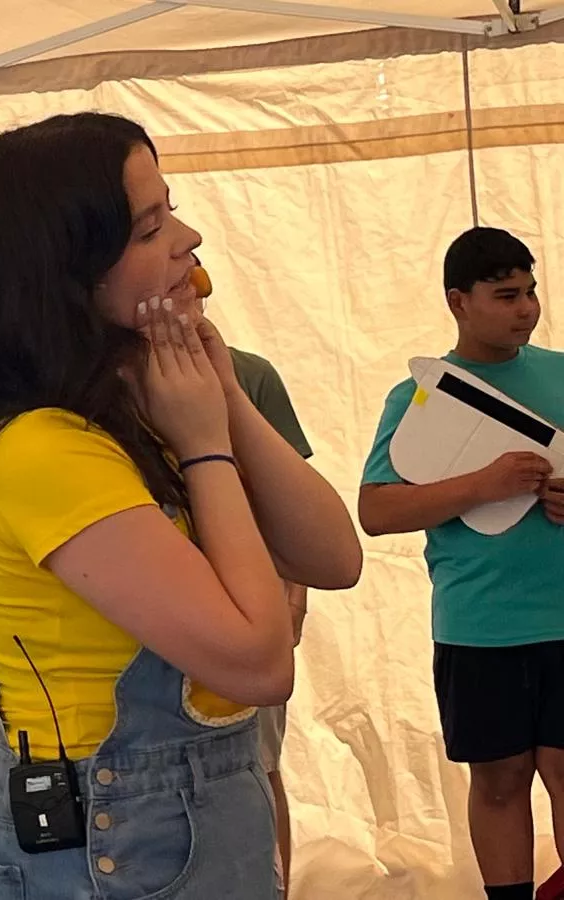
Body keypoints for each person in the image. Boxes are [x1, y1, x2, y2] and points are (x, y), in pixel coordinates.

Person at [0, 112, 361, 898]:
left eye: (169, 209)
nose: (188, 240)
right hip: (112, 843)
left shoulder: (135, 403)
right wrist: (204, 445)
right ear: (66, 274)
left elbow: (334, 557)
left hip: (178, 826)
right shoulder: (38, 448)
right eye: (150, 227)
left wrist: (223, 394)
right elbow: (260, 661)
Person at [358, 226, 564, 900]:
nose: (526, 308)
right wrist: (484, 484)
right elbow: (377, 510)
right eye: (507, 295)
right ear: (458, 301)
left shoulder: (561, 374)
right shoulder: (418, 399)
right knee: (500, 779)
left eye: (530, 292)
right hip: (479, 629)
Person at [189, 257, 316, 890]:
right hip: (175, 610)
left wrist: (292, 598)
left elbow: (291, 501)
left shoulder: (247, 374)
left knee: (258, 764)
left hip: (248, 601)